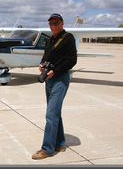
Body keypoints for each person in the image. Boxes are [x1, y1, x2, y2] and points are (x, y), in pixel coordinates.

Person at [32, 13, 77, 160]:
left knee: (50, 115)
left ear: (62, 24)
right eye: (51, 24)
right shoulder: (51, 38)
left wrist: (55, 71)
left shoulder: (68, 38)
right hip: (49, 79)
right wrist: (42, 64)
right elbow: (46, 56)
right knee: (55, 113)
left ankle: (47, 149)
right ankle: (60, 143)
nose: (53, 26)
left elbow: (72, 60)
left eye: (56, 23)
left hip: (60, 79)